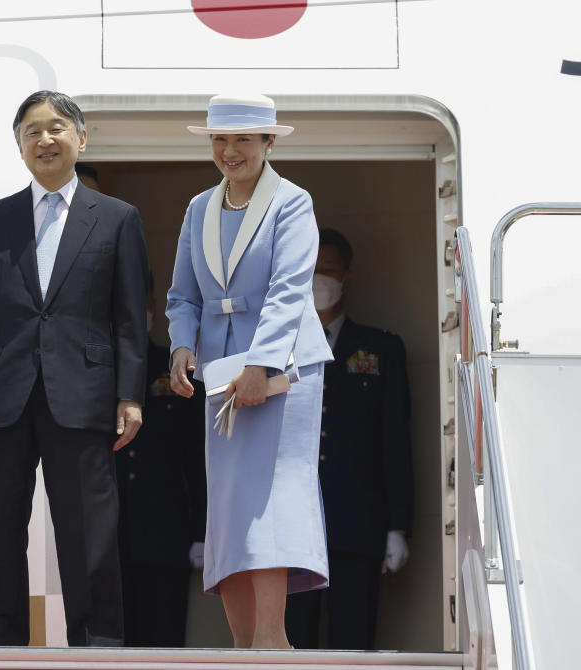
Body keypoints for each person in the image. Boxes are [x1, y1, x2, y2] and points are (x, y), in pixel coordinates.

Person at [0, 90, 150, 647]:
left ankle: (98, 647)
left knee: (89, 534)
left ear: (81, 139)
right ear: (19, 146)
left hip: (84, 396)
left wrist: (129, 395)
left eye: (57, 128)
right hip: (0, 397)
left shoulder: (116, 219)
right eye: (32, 131)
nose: (45, 140)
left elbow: (131, 317)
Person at [166, 95, 334, 649]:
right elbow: (182, 296)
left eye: (242, 139)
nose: (229, 151)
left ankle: (272, 639)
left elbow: (290, 291)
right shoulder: (198, 208)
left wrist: (261, 365)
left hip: (284, 369)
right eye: (219, 140)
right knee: (231, 502)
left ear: (268, 143)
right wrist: (181, 348)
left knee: (275, 494)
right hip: (221, 373)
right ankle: (244, 647)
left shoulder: (293, 202)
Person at [284, 227, 413, 650]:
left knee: (353, 641)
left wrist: (398, 526)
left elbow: (395, 441)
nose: (320, 280)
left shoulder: (381, 349)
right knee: (291, 641)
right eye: (311, 270)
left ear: (347, 276)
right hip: (292, 525)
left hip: (359, 522)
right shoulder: (276, 350)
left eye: (329, 270)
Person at [117, 274, 207, 648]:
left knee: (164, 639)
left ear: (155, 305)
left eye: (144, 300)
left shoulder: (177, 372)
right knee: (113, 640)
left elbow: (197, 459)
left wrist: (203, 532)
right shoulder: (98, 373)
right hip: (112, 533)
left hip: (167, 533)